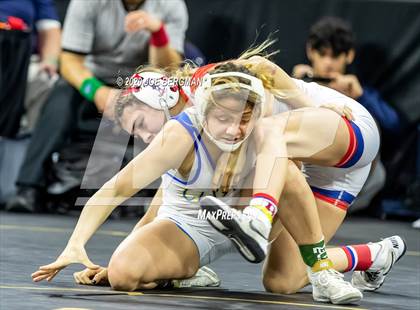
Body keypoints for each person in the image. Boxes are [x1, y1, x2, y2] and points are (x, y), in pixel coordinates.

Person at [72, 48, 404, 299]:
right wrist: (129, 261)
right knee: (281, 280)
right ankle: (375, 256)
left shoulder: (204, 86)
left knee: (266, 133)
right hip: (319, 167)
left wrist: (308, 105)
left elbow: (261, 65)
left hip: (340, 126)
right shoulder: (185, 135)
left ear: (161, 98)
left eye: (141, 124)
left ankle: (258, 218)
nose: (144, 137)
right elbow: (165, 200)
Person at [6, 0, 188, 213]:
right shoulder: (88, 2)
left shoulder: (172, 5)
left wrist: (158, 33)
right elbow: (69, 61)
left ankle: (169, 192)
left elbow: (169, 70)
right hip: (93, 78)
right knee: (61, 95)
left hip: (142, 83)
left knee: (170, 101)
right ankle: (29, 187)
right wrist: (97, 91)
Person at [292, 16, 401, 211]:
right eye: (322, 54)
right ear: (310, 51)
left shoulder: (356, 89)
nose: (328, 63)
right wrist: (293, 85)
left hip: (344, 176)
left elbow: (395, 127)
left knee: (379, 173)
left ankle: (329, 206)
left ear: (349, 55)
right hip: (305, 168)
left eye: (335, 56)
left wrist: (362, 97)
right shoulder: (299, 83)